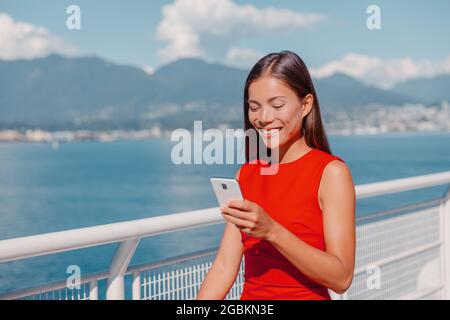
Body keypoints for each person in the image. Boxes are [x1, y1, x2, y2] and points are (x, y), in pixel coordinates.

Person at [196, 50, 356, 300]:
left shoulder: (331, 173)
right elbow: (225, 266)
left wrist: (272, 231)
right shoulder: (246, 174)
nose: (263, 118)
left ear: (305, 105)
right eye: (254, 107)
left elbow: (342, 277)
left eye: (277, 105)